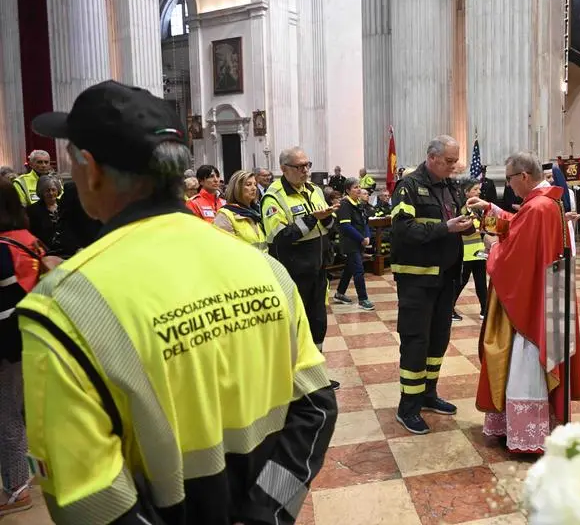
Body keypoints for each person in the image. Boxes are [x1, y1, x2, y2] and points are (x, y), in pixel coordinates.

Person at [19, 80, 337, 524]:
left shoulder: (63, 307)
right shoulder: (265, 270)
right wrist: (268, 512)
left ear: (89, 168)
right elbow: (316, 409)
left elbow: (90, 498)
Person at [467, 152, 580, 453]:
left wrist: (493, 247)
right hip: (548, 292)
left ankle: (528, 433)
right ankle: (540, 424)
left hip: (531, 301)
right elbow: (517, 227)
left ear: (523, 176)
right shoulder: (547, 202)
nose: (509, 186)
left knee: (525, 360)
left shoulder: (537, 207)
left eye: (508, 179)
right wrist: (490, 209)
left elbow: (515, 257)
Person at [390, 135, 473, 434]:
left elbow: (461, 218)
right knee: (416, 341)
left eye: (455, 161)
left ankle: (428, 394)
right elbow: (402, 230)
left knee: (438, 340)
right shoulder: (408, 187)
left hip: (446, 276)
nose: (453, 166)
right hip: (417, 279)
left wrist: (471, 222)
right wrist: (444, 228)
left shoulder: (451, 187)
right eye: (449, 161)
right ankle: (407, 408)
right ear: (432, 157)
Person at [262, 147, 340, 390]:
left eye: (307, 165)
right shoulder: (274, 197)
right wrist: (312, 219)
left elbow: (327, 226)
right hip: (293, 273)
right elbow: (279, 237)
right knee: (296, 325)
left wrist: (327, 218)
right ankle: (294, 378)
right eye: (299, 167)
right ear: (284, 169)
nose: (306, 170)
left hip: (317, 269)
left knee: (318, 321)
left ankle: (317, 373)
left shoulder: (314, 190)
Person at [0, 178, 52, 517]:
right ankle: (28, 475)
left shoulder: (2, 246)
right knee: (21, 412)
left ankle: (17, 487)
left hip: (6, 340)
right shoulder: (29, 239)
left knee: (7, 416)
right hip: (31, 334)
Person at [333, 178, 375, 311]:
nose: (359, 189)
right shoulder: (345, 205)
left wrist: (367, 235)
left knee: (350, 268)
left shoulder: (359, 203)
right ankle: (363, 299)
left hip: (360, 242)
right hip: (350, 242)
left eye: (359, 187)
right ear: (347, 190)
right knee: (358, 270)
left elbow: (365, 222)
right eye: (355, 187)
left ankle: (340, 293)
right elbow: (346, 226)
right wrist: (362, 238)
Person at [454, 178, 487, 319]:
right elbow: (464, 229)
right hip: (466, 251)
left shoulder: (478, 208)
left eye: (479, 189)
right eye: (475, 189)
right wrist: (479, 228)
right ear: (466, 192)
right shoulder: (461, 209)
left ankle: (485, 310)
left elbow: (484, 224)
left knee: (481, 281)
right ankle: (448, 308)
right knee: (461, 281)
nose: (479, 191)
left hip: (479, 250)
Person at [26, 174, 79, 258]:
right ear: (41, 192)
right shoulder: (32, 210)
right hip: (46, 253)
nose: (51, 193)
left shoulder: (65, 205)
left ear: (58, 191)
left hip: (68, 251)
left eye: (53, 190)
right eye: (47, 191)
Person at [213, 169, 266, 251]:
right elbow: (225, 250)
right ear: (237, 188)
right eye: (248, 185)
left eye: (255, 185)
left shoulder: (256, 212)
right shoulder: (224, 215)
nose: (254, 188)